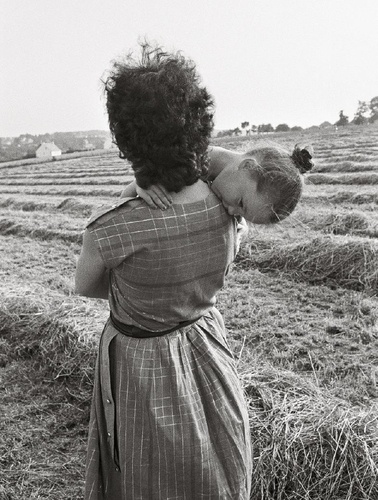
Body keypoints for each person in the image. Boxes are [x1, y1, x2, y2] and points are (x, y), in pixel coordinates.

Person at [75, 43, 254, 499]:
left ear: (125, 138)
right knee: (215, 466)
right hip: (208, 349)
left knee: (146, 473)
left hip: (141, 366)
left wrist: (140, 180)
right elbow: (233, 164)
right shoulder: (231, 210)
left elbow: (88, 288)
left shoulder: (108, 230)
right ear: (200, 124)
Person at [120, 142, 314, 224]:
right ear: (247, 166)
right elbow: (123, 201)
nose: (232, 213)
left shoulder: (224, 182)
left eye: (242, 216)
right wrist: (144, 183)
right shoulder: (184, 161)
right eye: (240, 204)